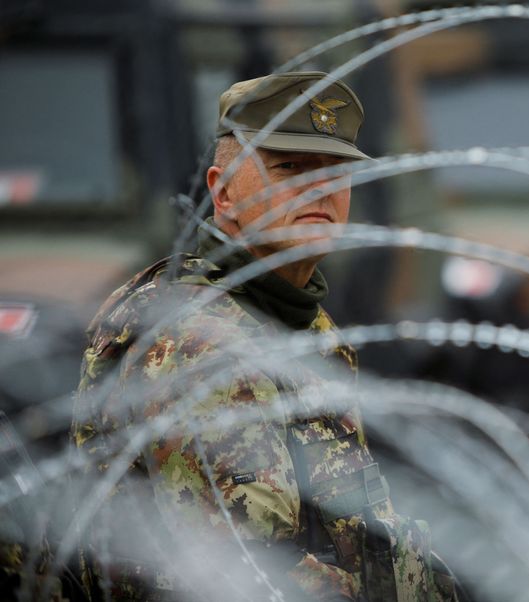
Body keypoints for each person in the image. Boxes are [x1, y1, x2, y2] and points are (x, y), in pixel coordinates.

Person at [71, 72, 457, 602]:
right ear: (222, 192)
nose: (318, 189)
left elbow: (345, 529)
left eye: (333, 172)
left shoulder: (298, 321)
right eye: (290, 169)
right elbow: (244, 577)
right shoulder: (199, 343)